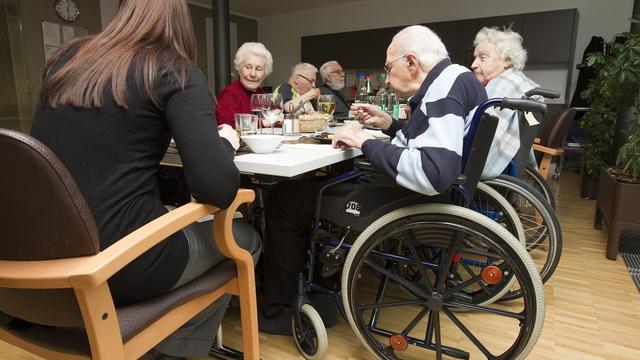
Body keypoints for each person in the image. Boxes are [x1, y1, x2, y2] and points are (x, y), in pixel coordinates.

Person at [29, 1, 261, 358]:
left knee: (168, 212)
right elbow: (216, 189)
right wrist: (224, 144)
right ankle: (171, 351)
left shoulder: (66, 60)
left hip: (41, 260)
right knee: (242, 237)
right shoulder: (172, 69)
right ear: (181, 21)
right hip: (114, 266)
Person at [259, 25, 486, 335]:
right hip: (439, 194)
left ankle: (278, 312)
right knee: (326, 182)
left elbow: (432, 172)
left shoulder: (444, 89)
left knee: (285, 197)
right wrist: (390, 124)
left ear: (411, 62)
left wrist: (364, 140)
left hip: (421, 199)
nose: (387, 76)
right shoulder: (457, 79)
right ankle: (323, 281)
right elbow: (427, 142)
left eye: (389, 67)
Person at [471, 26, 541, 179]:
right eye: (475, 58)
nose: (473, 64)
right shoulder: (519, 83)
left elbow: (476, 137)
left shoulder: (502, 86)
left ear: (507, 60)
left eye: (482, 58)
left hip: (483, 168)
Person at [216, 42, 273, 128]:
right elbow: (227, 127)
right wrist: (262, 123)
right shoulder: (229, 95)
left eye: (258, 69)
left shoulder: (262, 95)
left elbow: (273, 117)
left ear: (265, 74)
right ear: (239, 69)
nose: (253, 74)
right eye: (248, 67)